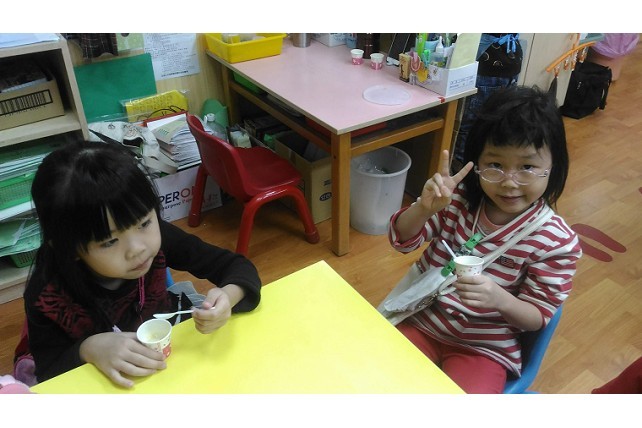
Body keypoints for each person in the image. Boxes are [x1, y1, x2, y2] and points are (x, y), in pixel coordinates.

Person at [381, 86, 582, 393]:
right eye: (495, 165)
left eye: (527, 167)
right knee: (370, 378)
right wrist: (423, 208)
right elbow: (403, 240)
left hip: (484, 348)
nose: (509, 183)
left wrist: (499, 298)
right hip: (420, 320)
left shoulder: (556, 242)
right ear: (476, 163)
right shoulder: (457, 199)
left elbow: (537, 317)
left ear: (553, 167)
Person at [20, 140, 262, 388]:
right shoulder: (46, 295)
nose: (138, 248)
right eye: (109, 241)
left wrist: (228, 296)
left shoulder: (158, 236)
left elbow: (236, 267)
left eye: (144, 223)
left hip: (168, 362)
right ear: (69, 248)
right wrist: (88, 348)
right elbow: (48, 372)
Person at [452, 33, 523, 170]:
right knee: (491, 124)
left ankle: (466, 168)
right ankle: (476, 166)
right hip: (503, 61)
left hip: (493, 64)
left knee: (475, 125)